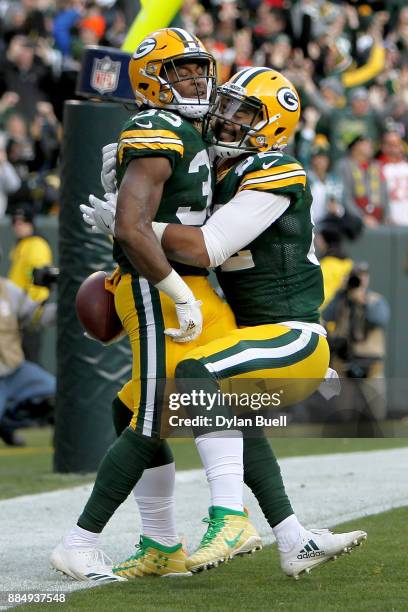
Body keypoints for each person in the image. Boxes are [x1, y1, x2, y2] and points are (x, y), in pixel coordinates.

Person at [83, 66, 366, 580]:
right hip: (247, 337)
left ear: (274, 125)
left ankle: (230, 517)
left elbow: (206, 246)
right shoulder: (216, 170)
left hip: (293, 339)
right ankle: (272, 538)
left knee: (197, 371)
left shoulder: (276, 170)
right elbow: (174, 199)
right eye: (229, 105)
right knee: (131, 407)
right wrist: (128, 186)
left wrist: (139, 222)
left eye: (245, 113)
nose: (227, 118)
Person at [51, 27, 261, 584]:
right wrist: (175, 290)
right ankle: (79, 542)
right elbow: (132, 227)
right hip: (155, 285)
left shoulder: (184, 128)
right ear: (151, 79)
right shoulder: (154, 124)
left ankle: (165, 542)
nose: (195, 79)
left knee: (164, 406)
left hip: (179, 284)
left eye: (199, 69)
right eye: (181, 71)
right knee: (150, 417)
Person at [0, 246, 56, 447]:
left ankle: (62, 441)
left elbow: (34, 317)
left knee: (58, 392)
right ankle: (6, 427)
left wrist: (61, 301)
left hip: (16, 370)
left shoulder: (8, 290)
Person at [322, 263, 390, 421]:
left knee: (377, 413)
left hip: (370, 365)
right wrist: (340, 292)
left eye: (364, 276)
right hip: (344, 364)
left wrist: (362, 301)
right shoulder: (341, 300)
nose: (360, 280)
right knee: (343, 413)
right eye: (356, 277)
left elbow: (379, 319)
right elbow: (327, 314)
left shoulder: (376, 300)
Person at [8, 205, 53, 362]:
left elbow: (40, 283)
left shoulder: (36, 245)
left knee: (30, 362)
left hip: (28, 315)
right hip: (17, 313)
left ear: (31, 222)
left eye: (23, 221)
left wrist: (29, 310)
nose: (18, 225)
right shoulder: (22, 244)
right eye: (15, 221)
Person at [378, 130, 408, 226]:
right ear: (383, 147)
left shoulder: (406, 165)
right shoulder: (377, 167)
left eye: (397, 143)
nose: (395, 147)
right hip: (389, 221)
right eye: (390, 144)